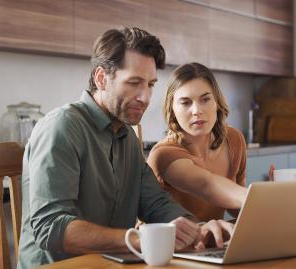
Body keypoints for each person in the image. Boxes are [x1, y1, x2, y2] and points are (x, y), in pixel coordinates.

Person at [17, 28, 232, 268]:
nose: (145, 97)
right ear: (101, 78)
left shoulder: (126, 136)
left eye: (150, 84)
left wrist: (199, 230)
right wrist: (141, 239)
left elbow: (156, 204)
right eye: (134, 83)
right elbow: (51, 227)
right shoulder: (62, 127)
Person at [147, 63, 248, 222]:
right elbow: (207, 186)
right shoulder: (164, 153)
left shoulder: (234, 140)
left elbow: (235, 206)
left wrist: (271, 193)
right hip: (169, 244)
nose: (196, 111)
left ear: (216, 102)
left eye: (205, 99)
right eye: (185, 102)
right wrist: (260, 199)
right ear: (172, 109)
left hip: (211, 242)